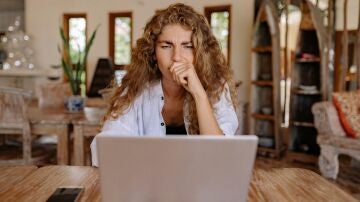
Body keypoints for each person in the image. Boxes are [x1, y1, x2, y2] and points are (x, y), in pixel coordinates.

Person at [91, 3, 238, 166]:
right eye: (166, 46)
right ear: (153, 53)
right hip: (149, 185)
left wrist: (199, 94)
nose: (176, 57)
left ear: (200, 53)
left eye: (188, 46)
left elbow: (220, 157)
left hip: (200, 185)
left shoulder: (216, 87)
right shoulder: (135, 88)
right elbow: (103, 150)